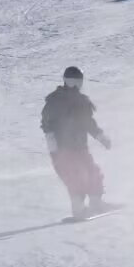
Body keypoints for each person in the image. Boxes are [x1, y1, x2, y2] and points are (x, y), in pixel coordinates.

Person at [42, 66, 113, 220]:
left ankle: (95, 203)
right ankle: (79, 209)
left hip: (79, 146)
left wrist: (101, 137)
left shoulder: (81, 101)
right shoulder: (55, 101)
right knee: (74, 177)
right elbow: (47, 124)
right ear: (67, 81)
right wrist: (53, 147)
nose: (75, 84)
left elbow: (88, 123)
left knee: (92, 171)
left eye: (77, 81)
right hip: (64, 148)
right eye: (72, 81)